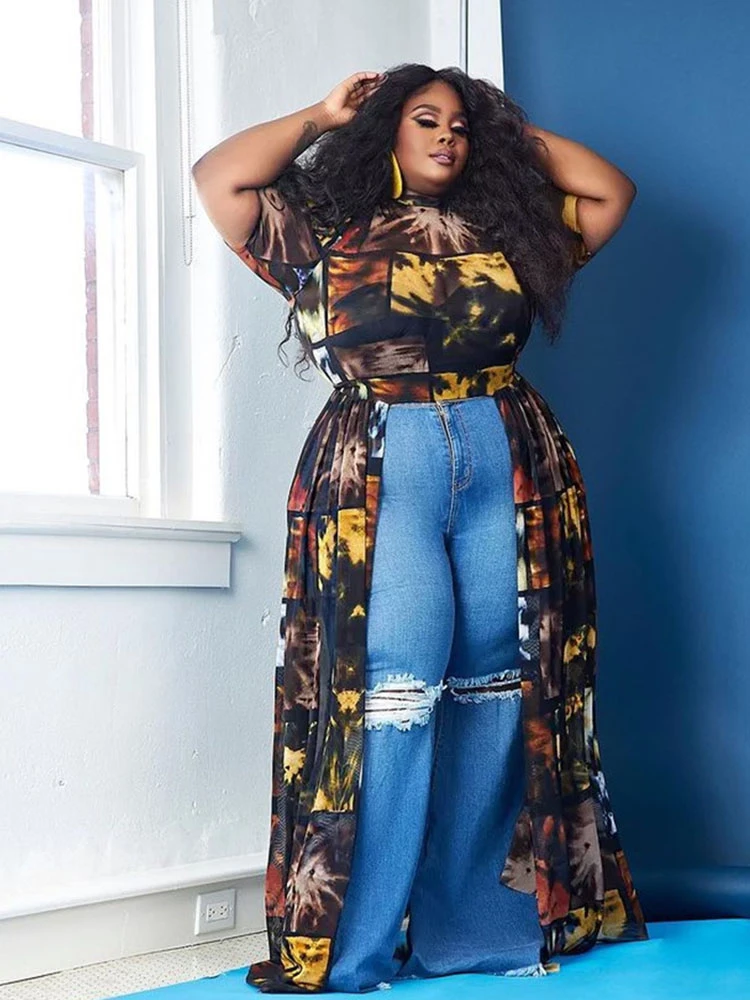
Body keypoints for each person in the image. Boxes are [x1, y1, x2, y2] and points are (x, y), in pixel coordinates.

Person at [192, 63, 649, 995]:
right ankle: (353, 949)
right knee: (394, 689)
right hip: (379, 465)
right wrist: (323, 114)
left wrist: (504, 130)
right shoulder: (326, 230)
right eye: (425, 119)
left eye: (459, 126)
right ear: (385, 134)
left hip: (505, 458)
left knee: (494, 687)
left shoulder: (510, 231)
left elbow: (610, 192)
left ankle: (474, 935)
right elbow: (220, 177)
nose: (446, 136)